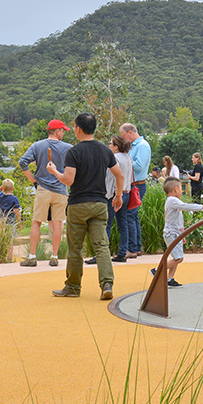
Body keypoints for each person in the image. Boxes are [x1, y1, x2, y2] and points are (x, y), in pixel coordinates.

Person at [48, 112, 124, 300]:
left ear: (78, 129)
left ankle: (73, 287)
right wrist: (118, 196)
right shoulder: (105, 150)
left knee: (75, 248)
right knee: (102, 246)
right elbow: (119, 175)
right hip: (100, 204)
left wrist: (54, 171)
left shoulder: (73, 152)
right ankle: (106, 283)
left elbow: (68, 179)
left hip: (78, 205)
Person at [18, 118, 74, 267]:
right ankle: (54, 256)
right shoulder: (68, 148)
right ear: (57, 131)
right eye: (62, 131)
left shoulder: (37, 146)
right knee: (57, 223)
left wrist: (33, 180)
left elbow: (22, 162)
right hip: (61, 189)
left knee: (36, 221)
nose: (63, 133)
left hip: (43, 188)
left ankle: (32, 256)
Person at [150, 177, 203, 287]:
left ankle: (170, 279)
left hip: (175, 233)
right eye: (181, 189)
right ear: (176, 189)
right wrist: (201, 207)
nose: (182, 191)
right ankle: (157, 270)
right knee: (179, 258)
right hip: (171, 234)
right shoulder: (172, 200)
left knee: (176, 257)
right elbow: (186, 206)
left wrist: (182, 235)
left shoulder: (173, 201)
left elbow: (178, 221)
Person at [120, 123, 152, 258]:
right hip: (133, 184)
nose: (123, 139)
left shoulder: (142, 146)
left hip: (137, 185)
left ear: (130, 132)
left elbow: (139, 165)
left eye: (123, 136)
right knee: (133, 216)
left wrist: (124, 161)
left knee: (129, 216)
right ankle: (136, 247)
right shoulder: (135, 146)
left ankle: (132, 249)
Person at [105, 134, 133, 262]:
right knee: (123, 223)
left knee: (107, 224)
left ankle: (103, 252)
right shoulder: (128, 157)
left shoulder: (114, 158)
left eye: (110, 144)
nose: (109, 146)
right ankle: (122, 252)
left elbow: (111, 177)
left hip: (115, 194)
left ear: (116, 146)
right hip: (126, 192)